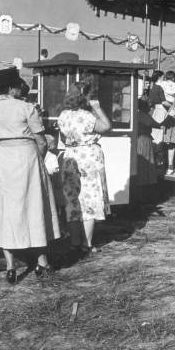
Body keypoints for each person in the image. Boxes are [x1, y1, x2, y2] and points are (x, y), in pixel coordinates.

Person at [0, 68, 60, 284]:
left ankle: (10, 267)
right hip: (27, 157)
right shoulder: (27, 108)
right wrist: (38, 159)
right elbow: (42, 141)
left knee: (5, 209)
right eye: (17, 85)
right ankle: (42, 263)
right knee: (34, 207)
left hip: (2, 160)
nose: (20, 88)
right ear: (10, 88)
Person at [57, 82, 111, 255]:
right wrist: (98, 108)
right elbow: (107, 127)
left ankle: (74, 241)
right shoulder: (87, 116)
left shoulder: (63, 115)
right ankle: (86, 243)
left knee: (72, 200)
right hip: (88, 157)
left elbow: (64, 137)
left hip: (71, 156)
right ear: (84, 97)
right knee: (89, 200)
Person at [136, 99, 172, 202]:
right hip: (144, 141)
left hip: (138, 140)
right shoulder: (144, 116)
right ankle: (145, 194)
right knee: (145, 166)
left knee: (141, 166)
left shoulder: (137, 114)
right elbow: (158, 125)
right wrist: (169, 118)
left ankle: (142, 192)